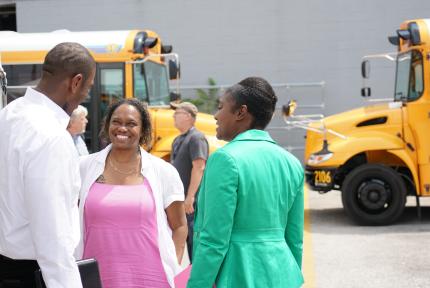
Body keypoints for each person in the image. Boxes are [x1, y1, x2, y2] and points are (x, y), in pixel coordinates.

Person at [187, 77, 305, 288]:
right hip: (283, 275)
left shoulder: (225, 159)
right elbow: (295, 239)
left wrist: (197, 284)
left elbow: (214, 239)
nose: (215, 115)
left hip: (238, 274)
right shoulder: (292, 163)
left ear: (241, 112)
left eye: (221, 107)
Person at [0, 42, 96, 288]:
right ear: (75, 82)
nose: (85, 96)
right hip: (33, 274)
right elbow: (54, 238)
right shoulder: (51, 136)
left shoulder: (8, 115)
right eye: (88, 88)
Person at [76, 99, 188, 288]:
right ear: (108, 125)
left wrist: (174, 265)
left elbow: (180, 226)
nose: (122, 128)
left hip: (153, 278)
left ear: (143, 130)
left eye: (131, 124)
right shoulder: (83, 167)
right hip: (95, 278)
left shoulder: (164, 171)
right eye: (116, 122)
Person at [171, 101, 209, 262]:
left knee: (195, 243)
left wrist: (190, 196)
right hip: (181, 200)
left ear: (187, 116)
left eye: (176, 113)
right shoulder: (179, 139)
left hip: (191, 203)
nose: (173, 117)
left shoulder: (196, 138)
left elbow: (199, 167)